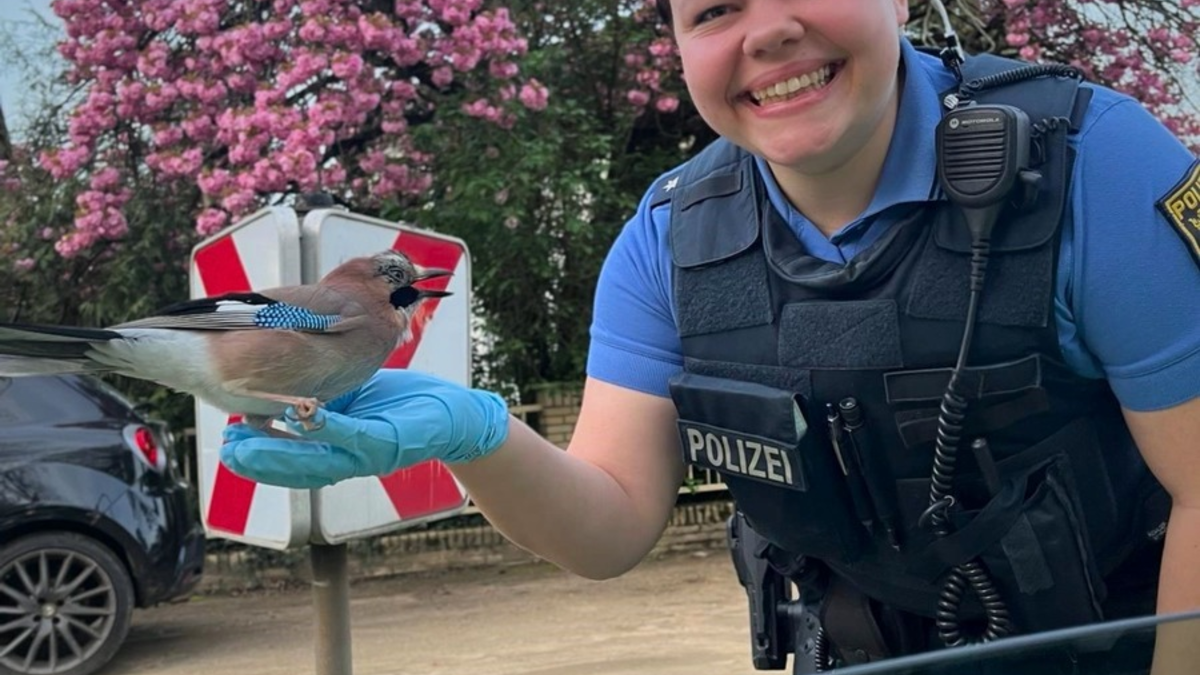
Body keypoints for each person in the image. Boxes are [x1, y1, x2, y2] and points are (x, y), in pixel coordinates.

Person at [221, 0, 1200, 669]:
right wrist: (473, 433)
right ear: (681, 49)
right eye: (713, 10)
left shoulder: (1097, 169)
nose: (767, 32)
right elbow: (608, 524)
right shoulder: (668, 240)